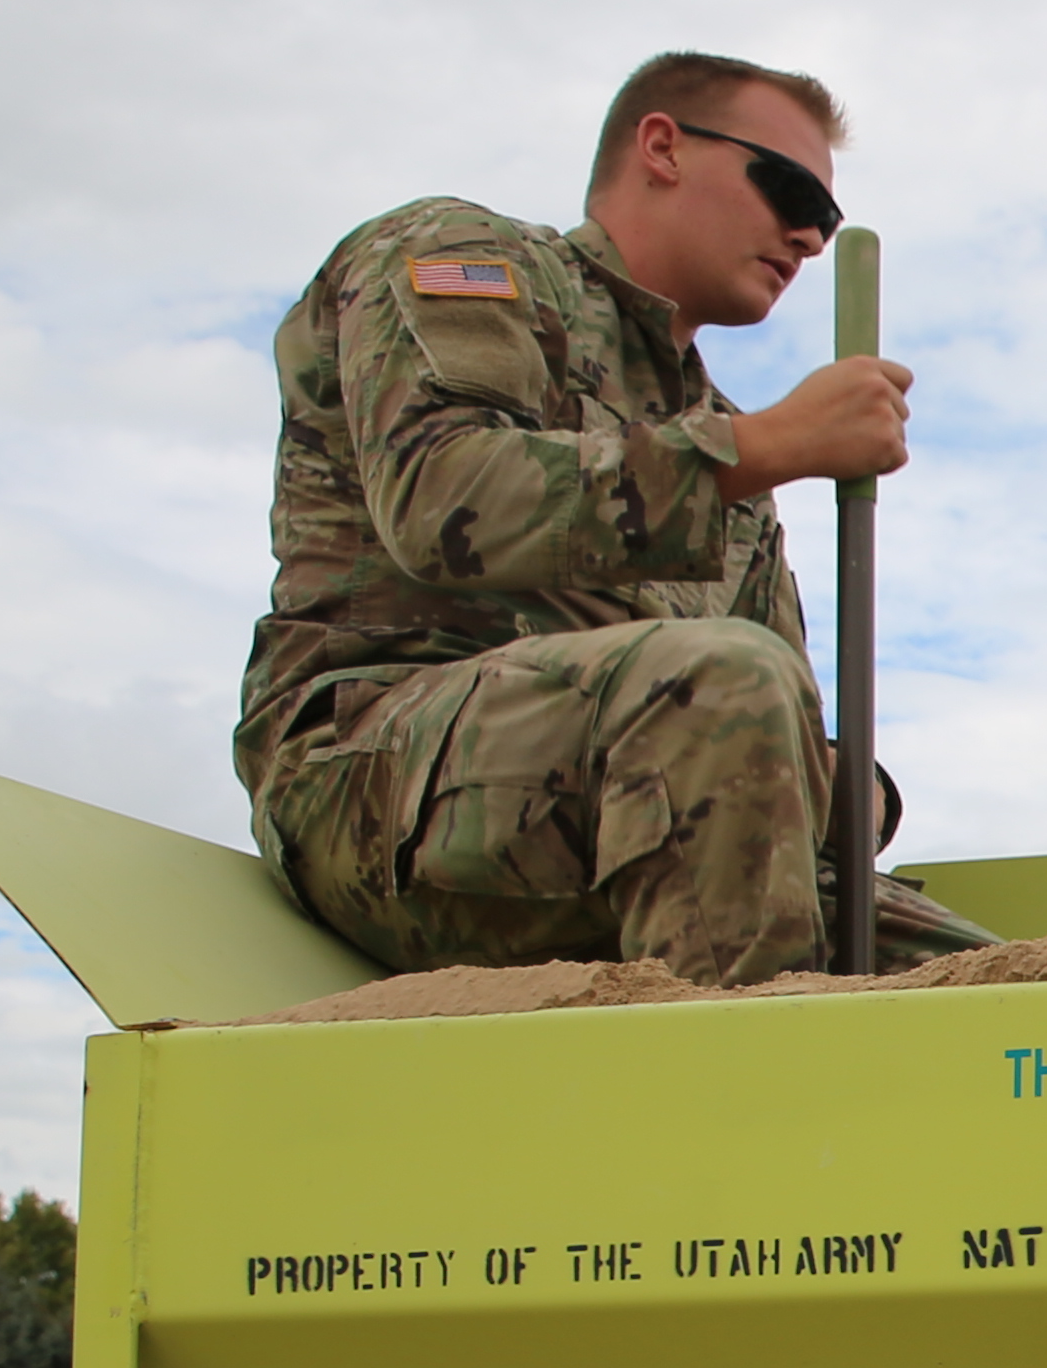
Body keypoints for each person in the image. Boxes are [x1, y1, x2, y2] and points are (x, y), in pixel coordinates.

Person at [245, 51, 988, 987]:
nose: (808, 236)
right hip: (377, 787)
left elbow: (770, 744)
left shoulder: (737, 487)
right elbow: (444, 498)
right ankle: (757, 1109)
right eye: (787, 187)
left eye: (828, 221)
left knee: (1039, 994)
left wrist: (852, 789)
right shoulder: (465, 256)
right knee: (725, 678)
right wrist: (758, 448)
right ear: (663, 147)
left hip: (649, 830)